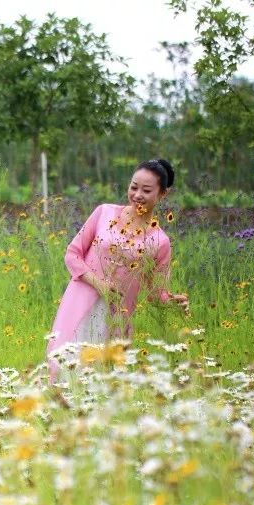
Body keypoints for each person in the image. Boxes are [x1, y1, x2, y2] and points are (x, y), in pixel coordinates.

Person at [46, 158, 190, 377]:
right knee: (66, 369)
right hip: (80, 305)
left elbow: (154, 293)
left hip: (116, 318)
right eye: (134, 187)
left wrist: (172, 302)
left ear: (162, 194)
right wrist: (99, 284)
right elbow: (73, 254)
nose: (137, 195)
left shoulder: (160, 241)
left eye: (146, 190)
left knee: (103, 378)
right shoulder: (104, 213)